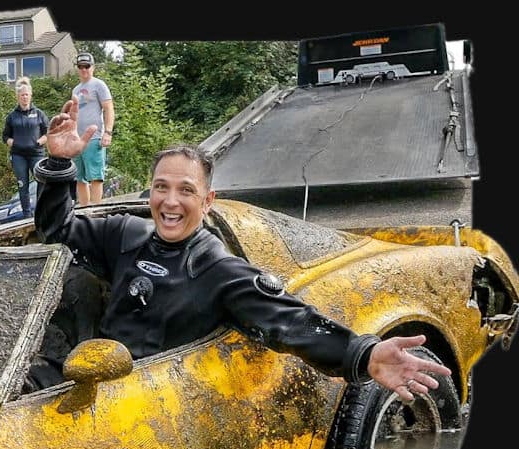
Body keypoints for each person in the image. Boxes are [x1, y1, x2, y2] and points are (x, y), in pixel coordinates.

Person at [31, 96, 450, 402]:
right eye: (161, 187)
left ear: (207, 201)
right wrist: (59, 165)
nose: (171, 202)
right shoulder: (123, 233)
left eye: (186, 191)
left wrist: (366, 353)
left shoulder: (219, 269)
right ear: (150, 192)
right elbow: (58, 229)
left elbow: (291, 323)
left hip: (155, 402)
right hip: (93, 383)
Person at [71, 52, 114, 206]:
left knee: (95, 176)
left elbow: (108, 108)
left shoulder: (99, 85)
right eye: (80, 66)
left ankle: (96, 210)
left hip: (94, 137)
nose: (84, 69)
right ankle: (84, 210)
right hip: (77, 140)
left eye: (87, 66)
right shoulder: (76, 90)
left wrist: (108, 132)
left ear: (93, 67)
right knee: (79, 178)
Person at [2, 77, 49, 218]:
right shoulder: (12, 116)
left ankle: (41, 212)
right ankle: (27, 215)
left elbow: (48, 133)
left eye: (26, 95)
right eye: (22, 95)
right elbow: (5, 136)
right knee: (23, 185)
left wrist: (39, 142)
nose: (24, 97)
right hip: (18, 156)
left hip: (36, 154)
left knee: (42, 181)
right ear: (18, 97)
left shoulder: (39, 114)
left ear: (31, 95)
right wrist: (13, 143)